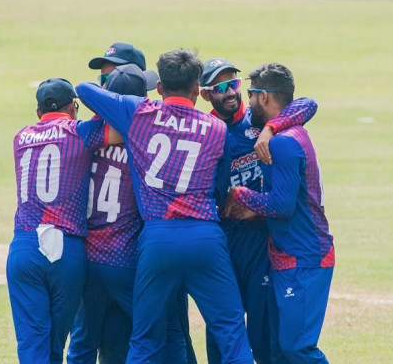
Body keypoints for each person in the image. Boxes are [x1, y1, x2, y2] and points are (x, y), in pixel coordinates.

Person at [76, 49, 253, 364]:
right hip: (205, 236)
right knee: (232, 334)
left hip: (157, 239)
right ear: (197, 89)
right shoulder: (217, 129)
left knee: (145, 340)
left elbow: (83, 90)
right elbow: (219, 188)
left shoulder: (139, 113)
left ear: (159, 88)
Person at [67, 63, 196, 364]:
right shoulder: (144, 143)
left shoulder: (86, 136)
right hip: (125, 259)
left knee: (83, 342)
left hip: (87, 259)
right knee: (163, 331)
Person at [198, 58, 318, 364]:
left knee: (264, 331)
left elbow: (307, 103)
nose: (231, 92)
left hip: (259, 244)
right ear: (205, 94)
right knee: (221, 329)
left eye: (234, 84)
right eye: (221, 87)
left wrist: (270, 128)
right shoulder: (204, 131)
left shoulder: (257, 121)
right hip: (222, 243)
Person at [224, 62, 334, 364]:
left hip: (305, 257)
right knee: (278, 350)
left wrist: (239, 194)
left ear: (265, 97)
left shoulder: (284, 142)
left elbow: (282, 206)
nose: (247, 100)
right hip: (286, 255)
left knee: (296, 348)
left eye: (251, 93)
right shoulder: (285, 133)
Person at [8, 78, 116, 363]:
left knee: (32, 346)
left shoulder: (21, 137)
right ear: (72, 107)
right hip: (67, 249)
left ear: (38, 111)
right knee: (55, 346)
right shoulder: (81, 132)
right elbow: (121, 128)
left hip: (25, 245)